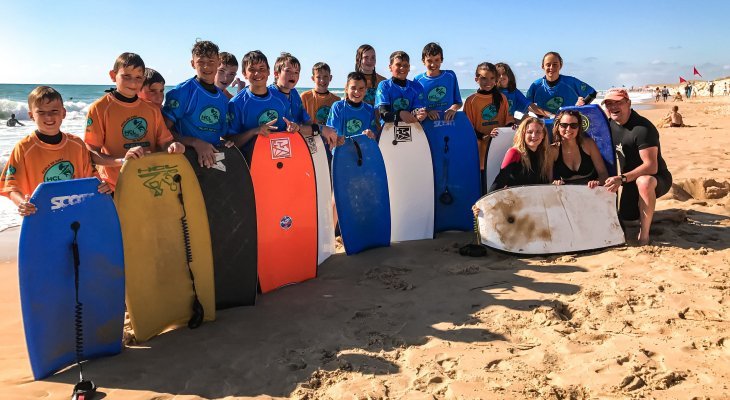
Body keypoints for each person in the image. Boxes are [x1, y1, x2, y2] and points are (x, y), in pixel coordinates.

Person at [0, 86, 111, 216]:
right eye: (41, 112)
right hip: (41, 215)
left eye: (54, 110)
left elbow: (91, 177)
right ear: (31, 115)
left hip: (76, 212)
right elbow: (11, 186)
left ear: (63, 113)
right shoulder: (24, 147)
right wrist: (22, 204)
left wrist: (101, 185)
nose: (48, 116)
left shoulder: (77, 145)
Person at [85, 52, 184, 191]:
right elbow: (91, 153)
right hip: (115, 186)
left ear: (143, 79)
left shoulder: (152, 110)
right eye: (126, 76)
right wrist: (122, 161)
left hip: (151, 182)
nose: (133, 82)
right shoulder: (99, 108)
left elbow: (165, 142)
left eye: (138, 77)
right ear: (113, 76)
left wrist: (173, 146)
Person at [603, 88, 672, 246]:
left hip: (656, 178)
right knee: (628, 222)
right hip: (628, 181)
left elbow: (651, 166)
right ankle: (670, 215)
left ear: (628, 103)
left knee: (644, 182)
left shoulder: (643, 129)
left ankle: (645, 236)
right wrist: (580, 106)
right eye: (609, 103)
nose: (613, 107)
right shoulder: (610, 123)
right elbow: (587, 121)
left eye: (618, 102)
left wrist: (622, 178)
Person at [162, 40, 229, 168]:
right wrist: (195, 142)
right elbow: (163, 132)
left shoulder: (223, 99)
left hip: (213, 162)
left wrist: (228, 142)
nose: (206, 67)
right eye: (201, 62)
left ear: (219, 63)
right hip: (185, 160)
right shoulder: (181, 92)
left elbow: (223, 134)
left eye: (211, 62)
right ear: (193, 64)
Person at [463, 62, 514, 191]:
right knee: (483, 189)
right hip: (481, 153)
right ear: (476, 79)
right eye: (483, 78)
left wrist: (512, 127)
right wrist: (485, 136)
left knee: (499, 188)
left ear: (496, 79)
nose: (488, 82)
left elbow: (507, 120)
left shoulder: (502, 98)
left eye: (492, 78)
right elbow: (468, 128)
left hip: (500, 150)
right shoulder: (471, 100)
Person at [489, 117, 555, 191]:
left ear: (543, 135)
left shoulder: (544, 154)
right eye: (529, 132)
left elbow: (543, 183)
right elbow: (499, 181)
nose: (534, 135)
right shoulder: (514, 153)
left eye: (538, 132)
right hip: (516, 199)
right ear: (523, 134)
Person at [526, 52, 597, 118]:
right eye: (548, 65)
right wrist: (544, 115)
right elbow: (526, 104)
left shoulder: (571, 82)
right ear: (543, 66)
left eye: (555, 64)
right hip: (545, 125)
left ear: (560, 66)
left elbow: (592, 93)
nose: (551, 67)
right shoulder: (536, 86)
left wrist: (582, 105)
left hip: (568, 124)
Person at [551, 109, 608, 187]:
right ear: (558, 127)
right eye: (564, 125)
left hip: (591, 190)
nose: (568, 129)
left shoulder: (588, 144)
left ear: (579, 128)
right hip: (566, 193)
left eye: (573, 125)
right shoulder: (553, 150)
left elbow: (603, 174)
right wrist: (555, 182)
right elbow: (548, 179)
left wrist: (597, 182)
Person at [375, 51, 427, 130]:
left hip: (412, 130)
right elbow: (383, 114)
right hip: (388, 131)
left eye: (405, 65)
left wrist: (420, 115)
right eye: (398, 65)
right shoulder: (384, 85)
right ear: (390, 67)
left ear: (409, 67)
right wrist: (399, 114)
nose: (402, 68)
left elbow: (416, 111)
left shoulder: (417, 87)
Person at [414, 42, 462, 121]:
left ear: (441, 60)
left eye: (436, 60)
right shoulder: (418, 80)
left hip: (449, 121)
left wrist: (453, 109)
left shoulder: (450, 76)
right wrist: (428, 111)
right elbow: (416, 106)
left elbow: (458, 102)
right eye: (429, 61)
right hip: (428, 123)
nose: (433, 64)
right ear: (423, 61)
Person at [326, 71, 378, 144]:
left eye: (361, 88)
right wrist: (337, 138)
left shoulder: (369, 109)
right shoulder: (338, 107)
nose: (357, 92)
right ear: (347, 89)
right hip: (341, 152)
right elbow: (331, 132)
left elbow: (374, 135)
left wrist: (371, 134)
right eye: (353, 88)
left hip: (363, 152)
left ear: (366, 90)